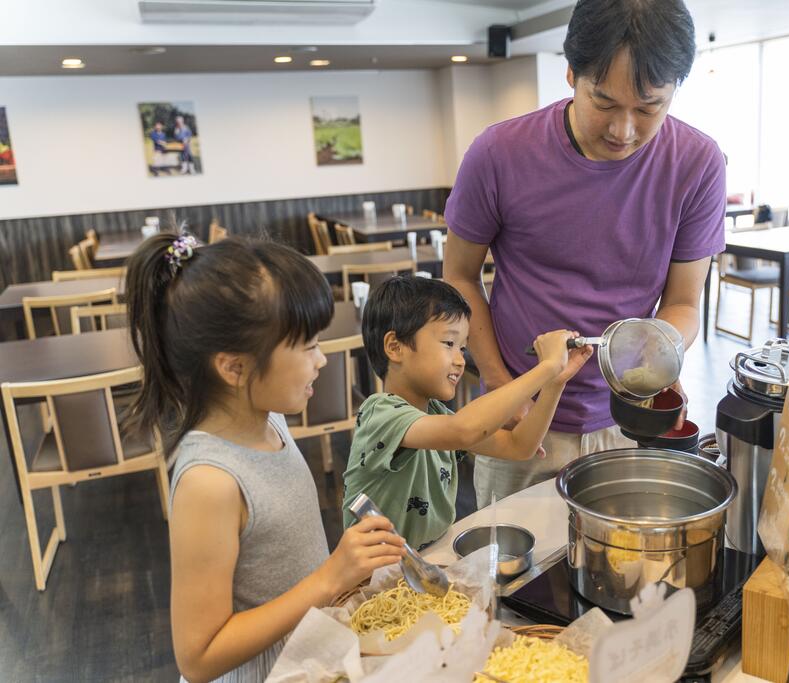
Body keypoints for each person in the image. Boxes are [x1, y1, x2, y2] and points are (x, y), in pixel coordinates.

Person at [443, 0, 727, 507]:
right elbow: (460, 277)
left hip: (628, 419)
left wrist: (661, 357)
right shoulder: (498, 153)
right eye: (604, 101)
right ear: (571, 73)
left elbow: (683, 304)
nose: (623, 131)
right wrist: (500, 383)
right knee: (507, 576)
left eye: (649, 108)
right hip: (517, 415)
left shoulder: (698, 164)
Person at [124, 234, 405, 682]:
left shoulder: (269, 419)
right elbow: (198, 658)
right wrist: (330, 577)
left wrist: (342, 573)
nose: (322, 360)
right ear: (234, 367)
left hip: (308, 650)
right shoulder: (209, 482)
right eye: (308, 345)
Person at [341, 276, 590, 551]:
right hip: (376, 574)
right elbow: (464, 429)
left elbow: (520, 446)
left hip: (427, 558)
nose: (460, 360)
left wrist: (554, 384)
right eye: (449, 343)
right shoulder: (381, 414)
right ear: (395, 347)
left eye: (462, 348)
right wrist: (545, 368)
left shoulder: (436, 415)